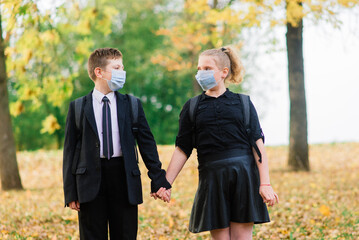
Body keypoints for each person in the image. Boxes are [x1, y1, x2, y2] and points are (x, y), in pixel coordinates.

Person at [153, 46, 279, 239]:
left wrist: (265, 184)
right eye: (199, 69)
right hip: (212, 180)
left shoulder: (243, 103)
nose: (201, 73)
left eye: (207, 68)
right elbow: (182, 149)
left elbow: (258, 145)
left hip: (243, 178)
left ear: (223, 72)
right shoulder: (192, 107)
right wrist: (166, 183)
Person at [63, 47, 171, 240]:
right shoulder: (78, 107)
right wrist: (70, 192)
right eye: (117, 67)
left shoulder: (132, 105)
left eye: (123, 67)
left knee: (125, 235)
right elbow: (70, 151)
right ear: (99, 72)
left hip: (124, 179)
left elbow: (147, 144)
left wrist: (158, 179)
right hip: (89, 183)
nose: (122, 72)